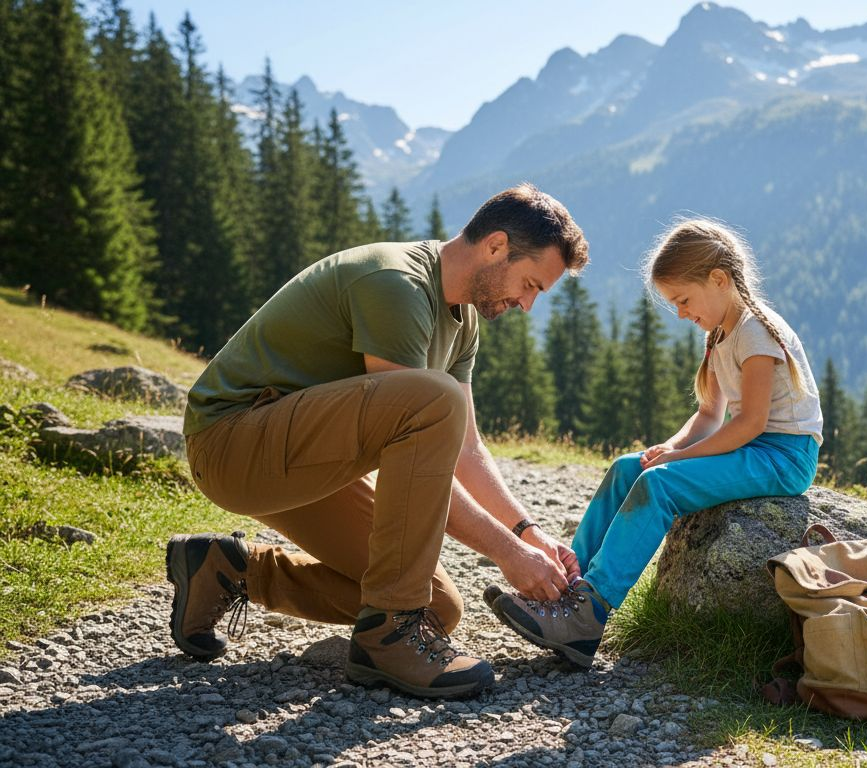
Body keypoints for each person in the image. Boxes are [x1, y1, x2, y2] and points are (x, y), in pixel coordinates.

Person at [166, 183, 589, 700]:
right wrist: (507, 556)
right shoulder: (398, 284)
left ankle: (228, 570)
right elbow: (417, 436)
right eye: (530, 284)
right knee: (433, 402)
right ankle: (387, 638)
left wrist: (528, 534)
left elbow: (465, 449)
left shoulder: (465, 321)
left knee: (435, 605)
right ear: (496, 246)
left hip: (303, 454)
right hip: (232, 443)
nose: (525, 304)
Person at [484, 219, 822, 668]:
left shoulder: (756, 332)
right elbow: (708, 415)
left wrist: (678, 460)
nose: (680, 313)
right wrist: (664, 450)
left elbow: (752, 424)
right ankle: (569, 587)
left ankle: (588, 615)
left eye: (683, 300)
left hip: (783, 455)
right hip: (756, 447)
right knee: (631, 468)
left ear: (719, 280)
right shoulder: (721, 332)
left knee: (660, 485)